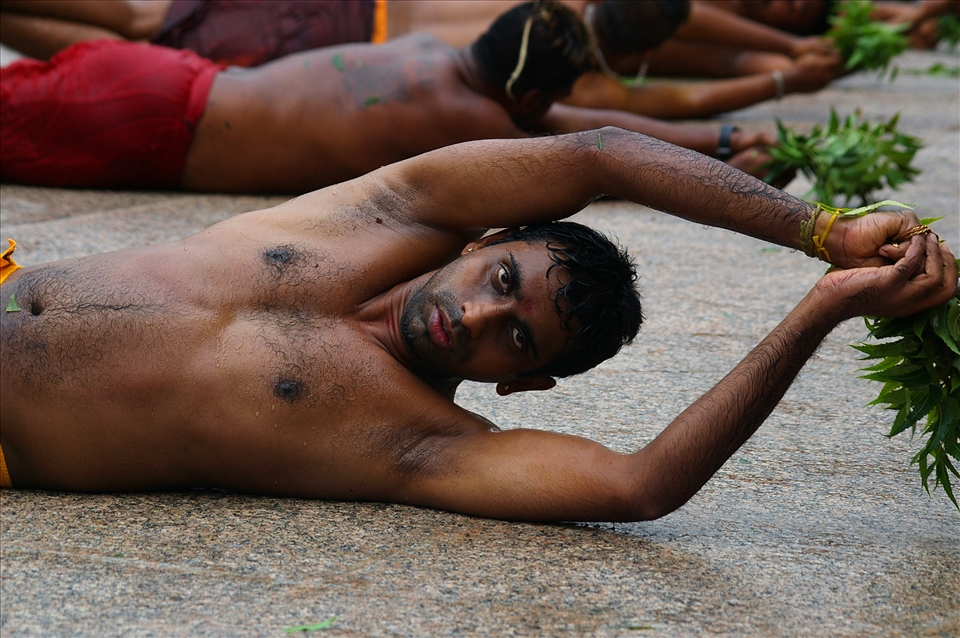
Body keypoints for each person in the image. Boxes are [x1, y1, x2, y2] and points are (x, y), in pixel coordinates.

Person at [1, 127, 954, 520]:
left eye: (518, 336)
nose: (482, 313)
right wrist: (818, 230)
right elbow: (603, 155)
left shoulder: (420, 444)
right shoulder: (384, 213)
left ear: (524, 382)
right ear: (485, 239)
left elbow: (640, 485)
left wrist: (823, 307)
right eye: (503, 276)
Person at [0, 2, 776, 194]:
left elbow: (580, 121)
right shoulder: (468, 118)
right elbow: (591, 149)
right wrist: (720, 152)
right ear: (531, 94)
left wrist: (719, 138)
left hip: (157, 79)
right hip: (156, 128)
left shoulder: (431, 57)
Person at [0, 0, 847, 120]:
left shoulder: (568, 54)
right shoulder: (570, 58)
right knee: (147, 28)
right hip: (345, 32)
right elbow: (672, 76)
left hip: (342, 45)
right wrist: (782, 64)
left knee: (142, 40)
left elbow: (669, 89)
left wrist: (781, 64)